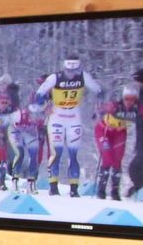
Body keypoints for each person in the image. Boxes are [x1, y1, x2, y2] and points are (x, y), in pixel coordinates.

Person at [35, 56, 100, 197]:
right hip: (57, 117)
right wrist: (43, 102)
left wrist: (98, 107)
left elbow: (99, 90)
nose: (71, 75)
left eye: (74, 71)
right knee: (56, 153)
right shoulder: (55, 77)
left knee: (73, 154)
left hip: (74, 118)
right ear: (64, 68)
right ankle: (53, 187)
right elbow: (39, 94)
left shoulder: (83, 77)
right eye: (69, 71)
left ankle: (74, 188)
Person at [94, 90, 135, 201]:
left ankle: (115, 191)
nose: (129, 102)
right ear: (123, 98)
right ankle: (101, 190)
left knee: (117, 160)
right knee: (107, 158)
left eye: (132, 99)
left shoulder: (135, 109)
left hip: (120, 133)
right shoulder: (115, 105)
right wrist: (100, 110)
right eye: (127, 99)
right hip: (104, 131)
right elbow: (99, 109)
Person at [9, 92, 47, 194]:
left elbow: (44, 127)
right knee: (20, 153)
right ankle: (15, 180)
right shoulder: (20, 114)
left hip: (31, 133)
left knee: (34, 155)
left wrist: (42, 131)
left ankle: (31, 181)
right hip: (17, 132)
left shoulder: (44, 113)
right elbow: (11, 123)